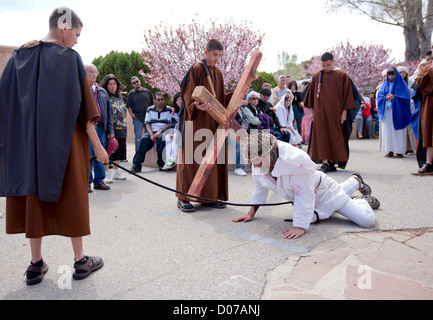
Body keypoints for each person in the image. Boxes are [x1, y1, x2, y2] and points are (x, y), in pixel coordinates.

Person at [0, 7, 106, 285]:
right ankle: (81, 261)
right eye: (76, 33)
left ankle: (35, 265)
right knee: (72, 195)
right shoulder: (69, 58)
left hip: (29, 144)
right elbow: (86, 113)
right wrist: (99, 148)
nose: (77, 40)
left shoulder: (19, 56)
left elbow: (6, 102)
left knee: (34, 194)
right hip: (64, 143)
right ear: (63, 26)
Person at [232, 132, 378, 239]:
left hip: (325, 192)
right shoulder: (258, 163)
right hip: (311, 194)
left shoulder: (296, 163)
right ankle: (355, 181)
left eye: (259, 160)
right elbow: (259, 189)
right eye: (253, 161)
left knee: (367, 221)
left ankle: (361, 201)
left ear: (270, 154)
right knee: (312, 216)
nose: (256, 165)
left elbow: (305, 196)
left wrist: (300, 226)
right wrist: (250, 213)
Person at [176, 39, 233, 212]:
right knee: (191, 160)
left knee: (212, 159)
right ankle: (183, 197)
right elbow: (188, 94)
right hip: (195, 122)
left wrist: (237, 96)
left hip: (213, 123)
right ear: (205, 52)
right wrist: (195, 105)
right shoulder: (196, 68)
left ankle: (209, 197)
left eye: (220, 56)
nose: (217, 59)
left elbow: (220, 98)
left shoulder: (219, 73)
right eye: (214, 54)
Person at [303, 52, 357, 173]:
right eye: (323, 65)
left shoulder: (341, 75)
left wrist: (344, 112)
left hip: (336, 113)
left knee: (335, 136)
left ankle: (333, 161)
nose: (326, 68)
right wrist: (312, 112)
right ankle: (325, 162)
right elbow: (311, 96)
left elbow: (347, 95)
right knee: (322, 136)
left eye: (328, 65)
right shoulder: (317, 76)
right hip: (320, 113)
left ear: (333, 62)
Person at [86, 64, 114, 190]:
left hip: (101, 128)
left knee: (100, 155)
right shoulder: (81, 90)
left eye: (96, 72)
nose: (95, 74)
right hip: (87, 128)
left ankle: (99, 181)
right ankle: (86, 183)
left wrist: (110, 130)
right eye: (91, 72)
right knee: (88, 156)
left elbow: (109, 112)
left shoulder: (103, 91)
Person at [130, 93, 173, 173]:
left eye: (162, 99)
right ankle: (136, 165)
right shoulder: (150, 109)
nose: (160, 101)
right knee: (143, 140)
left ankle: (161, 164)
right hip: (152, 132)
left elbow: (169, 124)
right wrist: (151, 135)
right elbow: (147, 124)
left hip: (163, 131)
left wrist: (160, 132)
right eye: (158, 100)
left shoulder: (169, 109)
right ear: (154, 101)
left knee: (161, 139)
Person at [377, 67, 411, 158]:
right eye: (389, 75)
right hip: (387, 111)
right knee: (387, 131)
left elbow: (405, 97)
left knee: (398, 131)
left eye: (393, 74)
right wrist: (385, 98)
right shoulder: (384, 85)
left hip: (398, 111)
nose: (391, 77)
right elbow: (379, 97)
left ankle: (399, 151)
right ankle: (389, 150)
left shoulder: (402, 84)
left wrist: (395, 97)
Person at [100, 74, 128, 181]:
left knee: (120, 151)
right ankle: (106, 174)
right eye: (110, 84)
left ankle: (116, 172)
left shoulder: (121, 97)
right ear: (106, 86)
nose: (113, 86)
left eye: (115, 84)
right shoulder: (104, 96)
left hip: (122, 129)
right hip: (110, 130)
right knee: (109, 151)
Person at [415, 59, 433, 174]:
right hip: (430, 106)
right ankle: (428, 163)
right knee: (430, 134)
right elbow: (419, 83)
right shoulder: (427, 68)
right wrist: (430, 71)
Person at [127, 76, 154, 151]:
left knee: (148, 136)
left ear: (140, 81)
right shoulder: (131, 94)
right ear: (132, 85)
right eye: (134, 83)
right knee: (138, 137)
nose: (136, 83)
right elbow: (129, 106)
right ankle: (138, 156)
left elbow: (152, 104)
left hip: (148, 119)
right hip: (137, 118)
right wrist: (132, 114)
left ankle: (147, 154)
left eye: (137, 81)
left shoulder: (147, 91)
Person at [162, 92, 182, 171]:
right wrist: (171, 132)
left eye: (181, 99)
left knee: (176, 136)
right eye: (177, 100)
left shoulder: (185, 110)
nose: (179, 102)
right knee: (168, 137)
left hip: (183, 132)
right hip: (176, 130)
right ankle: (168, 160)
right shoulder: (175, 111)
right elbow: (172, 124)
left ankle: (173, 159)